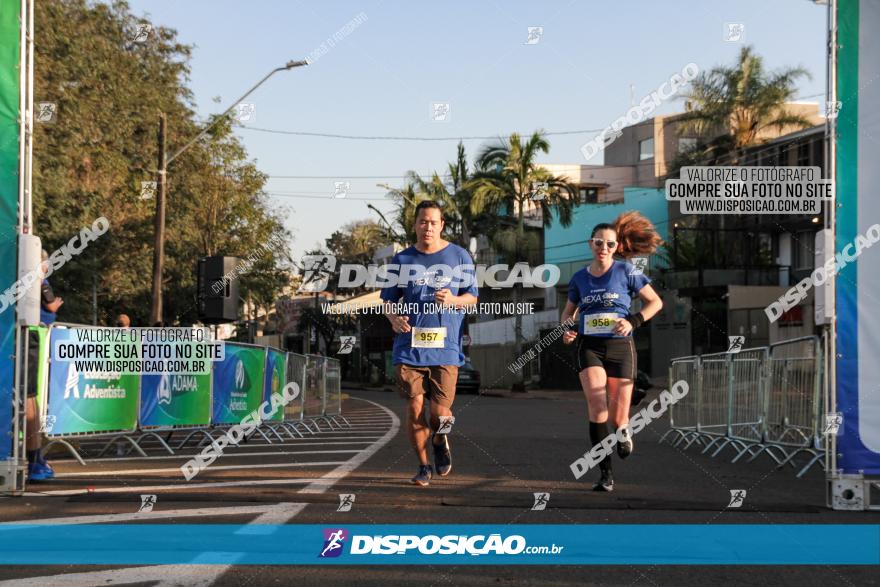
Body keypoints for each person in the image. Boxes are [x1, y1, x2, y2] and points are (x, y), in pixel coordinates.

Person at [561, 212, 663, 492]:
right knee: (597, 406)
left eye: (609, 244)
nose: (603, 248)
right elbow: (568, 314)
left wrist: (632, 321)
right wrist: (567, 330)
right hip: (589, 346)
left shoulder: (627, 272)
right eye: (598, 243)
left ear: (616, 246)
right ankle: (605, 474)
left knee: (619, 418)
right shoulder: (580, 278)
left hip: (620, 347)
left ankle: (624, 431)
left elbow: (655, 303)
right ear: (590, 244)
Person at [381, 200, 478, 486]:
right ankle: (423, 467)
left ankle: (440, 437)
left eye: (434, 222)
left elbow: (472, 297)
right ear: (415, 224)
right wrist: (393, 319)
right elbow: (387, 300)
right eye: (423, 221)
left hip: (445, 348)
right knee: (414, 408)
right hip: (408, 347)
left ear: (442, 225)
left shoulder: (459, 256)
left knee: (440, 413)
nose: (428, 227)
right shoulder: (402, 260)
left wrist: (453, 299)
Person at [26, 250, 63, 482]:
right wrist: (56, 304)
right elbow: (50, 305)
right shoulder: (40, 278)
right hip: (35, 333)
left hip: (34, 334)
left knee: (31, 395)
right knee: (30, 395)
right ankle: (34, 460)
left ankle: (35, 459)